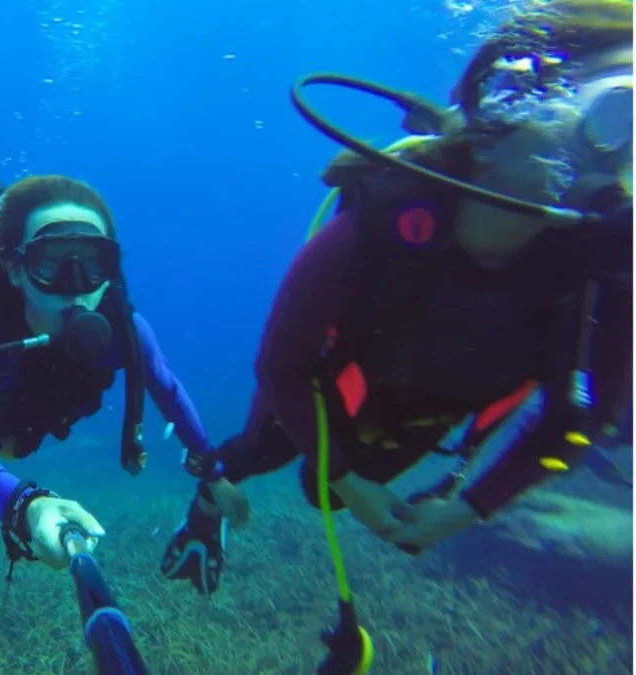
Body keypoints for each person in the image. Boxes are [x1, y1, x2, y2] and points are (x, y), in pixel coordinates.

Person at [162, 0, 633, 595]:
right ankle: (205, 511)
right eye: (616, 115)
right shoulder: (387, 222)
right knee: (261, 451)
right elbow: (281, 365)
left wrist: (470, 508)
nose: (619, 163)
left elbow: (583, 418)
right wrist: (352, 484)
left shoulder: (602, 264)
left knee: (322, 495)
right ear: (497, 126)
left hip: (428, 412)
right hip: (328, 385)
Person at [0, 175, 226, 571]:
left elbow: (167, 389)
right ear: (14, 268)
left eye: (92, 264)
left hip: (34, 416)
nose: (76, 287)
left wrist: (214, 475)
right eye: (50, 264)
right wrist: (26, 506)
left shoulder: (126, 329)